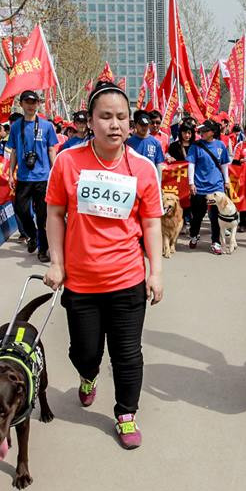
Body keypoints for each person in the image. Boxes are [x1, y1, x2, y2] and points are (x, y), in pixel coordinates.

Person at [43, 80, 163, 449]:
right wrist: (57, 263)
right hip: (81, 283)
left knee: (128, 353)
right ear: (90, 122)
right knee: (85, 352)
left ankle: (126, 413)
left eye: (121, 117)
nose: (115, 124)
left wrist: (156, 271)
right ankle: (88, 376)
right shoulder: (68, 161)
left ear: (130, 123)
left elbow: (152, 222)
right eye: (106, 117)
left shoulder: (142, 168)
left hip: (127, 279)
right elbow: (55, 213)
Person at [8, 90, 58, 263]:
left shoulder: (47, 126)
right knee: (21, 211)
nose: (31, 105)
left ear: (38, 104)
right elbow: (14, 151)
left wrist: (54, 172)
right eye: (27, 102)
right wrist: (10, 174)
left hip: (43, 178)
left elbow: (52, 149)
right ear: (21, 104)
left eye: (34, 102)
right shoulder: (16, 127)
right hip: (23, 177)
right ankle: (33, 236)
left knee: (43, 216)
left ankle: (43, 249)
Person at [187, 120, 230, 254]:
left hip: (216, 187)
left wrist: (226, 180)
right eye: (200, 131)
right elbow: (191, 165)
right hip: (200, 187)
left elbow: (224, 165)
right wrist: (191, 183)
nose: (202, 133)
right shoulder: (196, 146)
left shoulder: (220, 146)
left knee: (215, 216)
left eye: (205, 131)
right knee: (198, 216)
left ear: (212, 132)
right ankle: (194, 235)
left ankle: (215, 242)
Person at [126, 110, 165, 176]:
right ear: (135, 125)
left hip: (149, 181)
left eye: (146, 125)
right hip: (133, 180)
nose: (144, 127)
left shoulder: (156, 143)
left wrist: (158, 183)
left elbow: (158, 165)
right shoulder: (128, 143)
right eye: (141, 124)